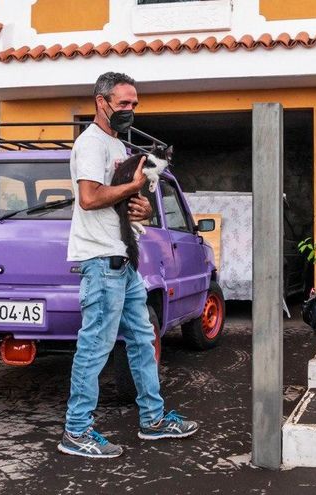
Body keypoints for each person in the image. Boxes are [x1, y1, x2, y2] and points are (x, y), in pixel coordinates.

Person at [58, 72, 198, 458]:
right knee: (94, 348)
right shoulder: (90, 144)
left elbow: (121, 198)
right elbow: (88, 198)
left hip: (125, 260)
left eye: (134, 104)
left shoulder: (117, 144)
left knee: (142, 339)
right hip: (102, 260)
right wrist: (132, 189)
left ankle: (153, 420)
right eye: (123, 104)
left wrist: (144, 206)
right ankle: (76, 431)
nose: (130, 110)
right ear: (101, 102)